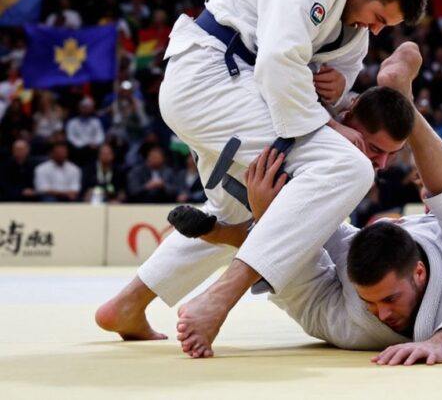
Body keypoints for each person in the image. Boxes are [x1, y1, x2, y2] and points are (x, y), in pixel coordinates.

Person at [147, 0, 428, 356]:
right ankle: (221, 297)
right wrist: (330, 126)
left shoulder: (353, 25)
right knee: (350, 166)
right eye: (377, 17)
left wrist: (336, 85)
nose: (373, 29)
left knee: (239, 208)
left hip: (240, 93)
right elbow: (279, 63)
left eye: (382, 27)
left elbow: (334, 76)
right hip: (209, 81)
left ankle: (126, 304)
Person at [95, 81, 418, 343]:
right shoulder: (331, 138)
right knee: (252, 220)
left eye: (391, 155)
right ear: (347, 115)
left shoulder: (326, 96)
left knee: (231, 218)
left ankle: (129, 302)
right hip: (241, 143)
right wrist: (266, 213)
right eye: (375, 149)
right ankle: (212, 263)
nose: (381, 164)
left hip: (231, 149)